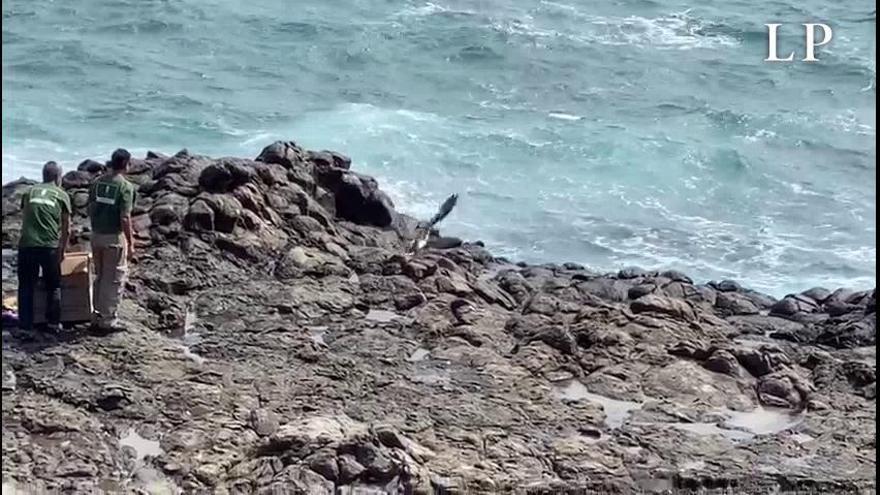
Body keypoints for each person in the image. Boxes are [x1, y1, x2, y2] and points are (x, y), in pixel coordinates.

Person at [17, 161, 71, 332]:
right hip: (49, 246)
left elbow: (26, 216)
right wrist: (62, 250)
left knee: (26, 286)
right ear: (57, 177)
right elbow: (67, 228)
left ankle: (25, 327)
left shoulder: (29, 192)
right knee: (53, 284)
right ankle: (53, 323)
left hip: (27, 244)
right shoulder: (61, 195)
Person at [88, 148, 136, 332]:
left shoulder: (97, 182)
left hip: (96, 235)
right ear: (126, 164)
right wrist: (131, 243)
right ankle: (107, 320)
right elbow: (125, 217)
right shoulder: (125, 187)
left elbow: (90, 207)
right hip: (114, 237)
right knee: (114, 278)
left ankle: (96, 315)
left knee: (99, 276)